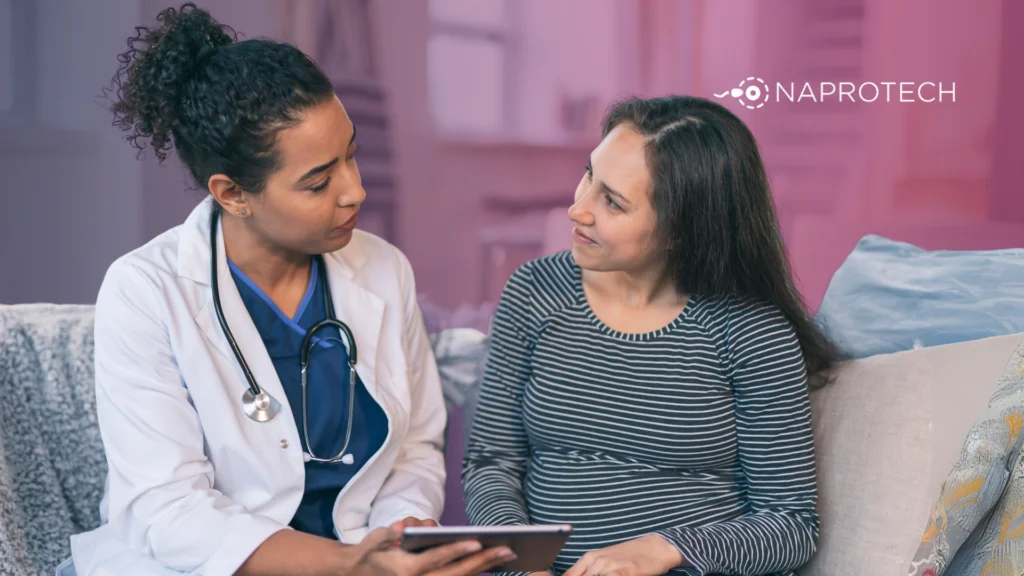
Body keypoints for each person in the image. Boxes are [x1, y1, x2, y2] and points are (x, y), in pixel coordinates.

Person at [62, 4, 515, 575]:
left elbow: (415, 449)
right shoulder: (146, 291)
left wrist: (398, 537)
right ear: (233, 195)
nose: (354, 192)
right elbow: (167, 509)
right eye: (319, 182)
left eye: (351, 155)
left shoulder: (384, 269)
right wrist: (351, 566)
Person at [462, 95, 845, 576]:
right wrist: (520, 565)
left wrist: (666, 548)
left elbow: (790, 525)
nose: (577, 210)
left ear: (681, 229)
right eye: (588, 175)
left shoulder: (751, 333)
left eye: (612, 202)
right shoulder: (535, 290)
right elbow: (490, 462)